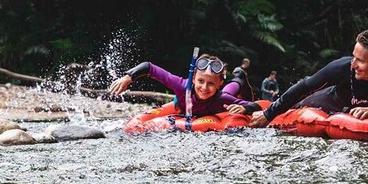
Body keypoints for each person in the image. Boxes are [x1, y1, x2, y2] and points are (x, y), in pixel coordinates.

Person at [237, 28, 368, 127]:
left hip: (357, 112)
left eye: (360, 60)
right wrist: (268, 115)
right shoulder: (342, 67)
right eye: (353, 56)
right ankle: (254, 106)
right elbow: (303, 87)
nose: (353, 64)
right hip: (329, 100)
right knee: (296, 103)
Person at [107, 53, 257, 117]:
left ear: (219, 83)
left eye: (211, 83)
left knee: (232, 88)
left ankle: (239, 76)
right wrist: (128, 77)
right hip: (185, 104)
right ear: (193, 79)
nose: (204, 87)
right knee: (224, 92)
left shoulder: (223, 99)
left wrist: (245, 107)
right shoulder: (181, 85)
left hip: (221, 98)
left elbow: (258, 107)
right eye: (200, 81)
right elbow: (149, 67)